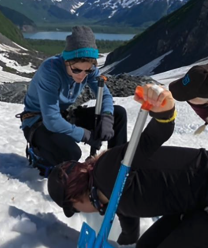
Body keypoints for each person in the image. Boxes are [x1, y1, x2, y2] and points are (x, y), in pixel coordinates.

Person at [47, 84, 208, 247]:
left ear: (75, 197)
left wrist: (164, 110)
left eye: (75, 209)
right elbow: (129, 226)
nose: (81, 212)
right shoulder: (111, 194)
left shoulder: (108, 171)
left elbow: (154, 136)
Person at [18, 26, 127, 176]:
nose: (82, 75)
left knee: (118, 114)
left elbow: (105, 96)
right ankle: (40, 154)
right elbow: (51, 120)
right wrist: (84, 135)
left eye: (88, 70)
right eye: (76, 70)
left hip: (63, 115)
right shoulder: (50, 71)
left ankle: (115, 167)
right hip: (38, 121)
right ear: (66, 60)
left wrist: (107, 116)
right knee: (71, 153)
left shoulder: (88, 68)